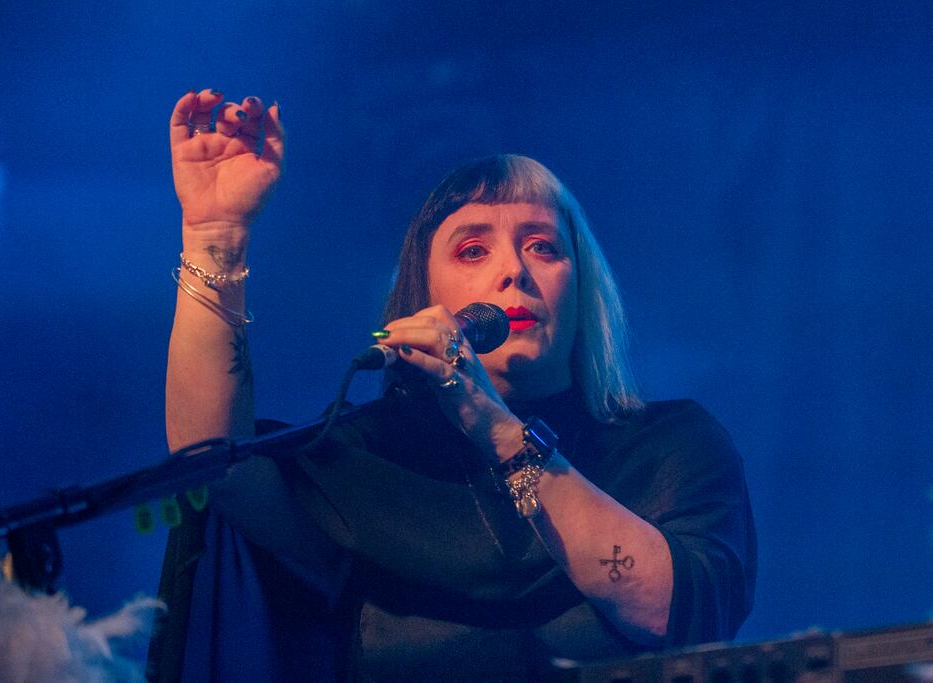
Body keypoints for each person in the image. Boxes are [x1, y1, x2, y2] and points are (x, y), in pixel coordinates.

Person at [149, 88, 756, 682]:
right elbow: (211, 461)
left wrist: (495, 426)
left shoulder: (669, 447)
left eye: (542, 246)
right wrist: (216, 234)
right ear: (425, 298)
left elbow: (670, 614)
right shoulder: (368, 461)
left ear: (581, 288)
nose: (513, 270)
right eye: (472, 250)